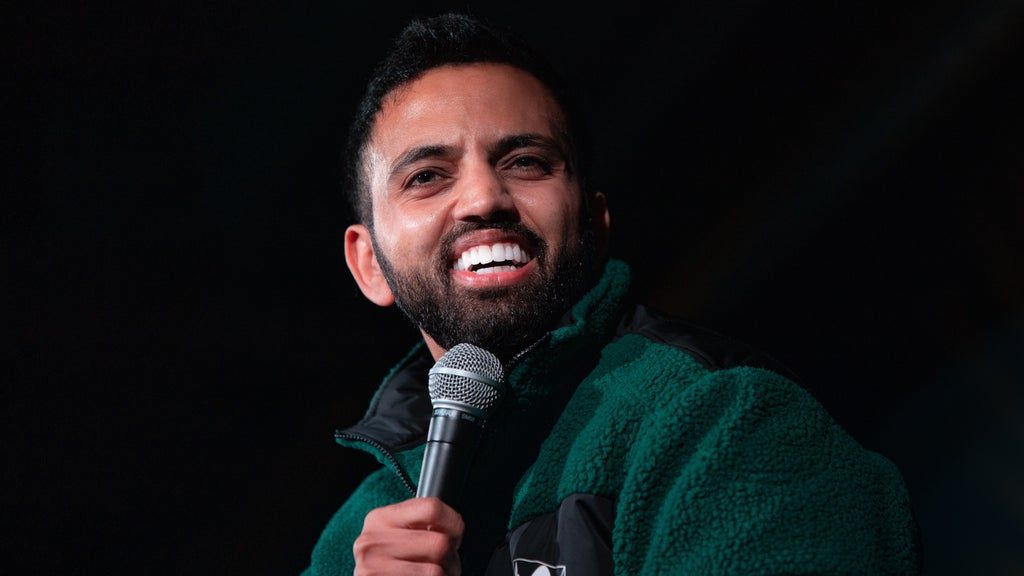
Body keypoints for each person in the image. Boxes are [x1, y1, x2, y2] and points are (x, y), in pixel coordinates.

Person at [303, 13, 919, 576]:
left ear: (594, 225)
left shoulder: (726, 419)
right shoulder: (353, 541)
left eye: (526, 161)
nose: (484, 198)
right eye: (427, 176)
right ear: (369, 264)